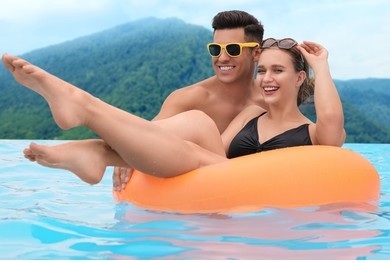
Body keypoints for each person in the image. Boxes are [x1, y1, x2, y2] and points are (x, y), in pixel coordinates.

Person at [2, 37, 345, 186]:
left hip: (268, 197)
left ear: (300, 78)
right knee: (198, 122)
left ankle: (89, 121)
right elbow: (198, 153)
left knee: (202, 140)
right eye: (263, 70)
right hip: (221, 186)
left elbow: (330, 122)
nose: (267, 78)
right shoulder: (249, 118)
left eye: (278, 71)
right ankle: (97, 147)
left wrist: (322, 65)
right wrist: (135, 158)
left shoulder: (315, 134)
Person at [112, 10, 265, 190]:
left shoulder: (268, 101)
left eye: (233, 49)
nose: (222, 58)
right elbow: (148, 137)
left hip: (244, 193)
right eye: (215, 49)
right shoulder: (188, 99)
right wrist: (127, 150)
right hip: (194, 198)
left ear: (256, 53)